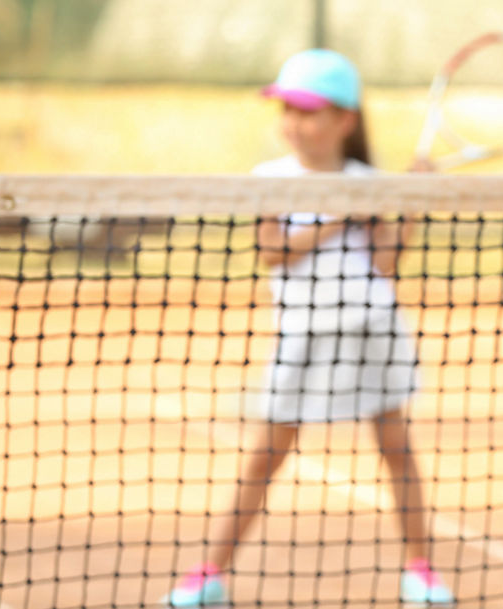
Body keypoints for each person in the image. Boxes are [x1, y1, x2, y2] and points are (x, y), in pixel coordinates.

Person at [163, 49, 454, 607]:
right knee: (267, 454)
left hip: (372, 329)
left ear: (344, 120)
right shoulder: (271, 179)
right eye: (287, 111)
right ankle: (209, 575)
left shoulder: (368, 180)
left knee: (397, 450)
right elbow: (272, 251)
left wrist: (411, 205)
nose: (294, 124)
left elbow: (386, 261)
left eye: (308, 111)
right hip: (304, 335)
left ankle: (422, 572)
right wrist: (341, 212)